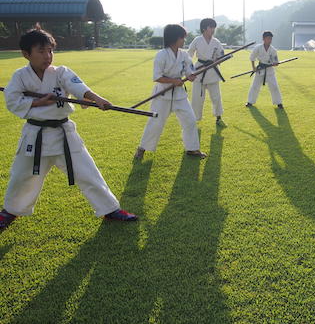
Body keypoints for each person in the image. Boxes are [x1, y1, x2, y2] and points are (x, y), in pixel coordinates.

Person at [0, 27, 137, 230]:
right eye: (41, 51)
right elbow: (12, 100)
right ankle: (9, 212)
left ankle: (110, 209)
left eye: (50, 51)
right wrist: (39, 103)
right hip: (35, 136)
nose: (48, 56)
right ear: (26, 54)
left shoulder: (61, 72)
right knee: (22, 176)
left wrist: (97, 99)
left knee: (88, 172)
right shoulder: (20, 76)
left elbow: (78, 87)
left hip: (64, 134)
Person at [134, 24, 206, 159]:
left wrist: (191, 76)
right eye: (182, 38)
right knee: (155, 123)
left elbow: (189, 70)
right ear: (174, 38)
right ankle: (142, 148)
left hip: (179, 95)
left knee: (190, 120)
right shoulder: (161, 55)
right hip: (162, 94)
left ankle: (192, 149)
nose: (184, 40)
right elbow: (157, 77)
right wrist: (173, 81)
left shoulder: (184, 55)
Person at [187, 18, 226, 126]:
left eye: (214, 27)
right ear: (204, 28)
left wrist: (218, 60)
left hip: (213, 71)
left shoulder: (216, 42)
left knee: (216, 97)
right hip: (200, 70)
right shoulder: (197, 40)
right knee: (197, 98)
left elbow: (221, 56)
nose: (213, 29)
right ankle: (195, 119)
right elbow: (189, 55)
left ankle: (218, 117)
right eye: (211, 27)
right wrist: (190, 70)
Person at [245, 31, 283, 109]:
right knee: (254, 86)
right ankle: (250, 102)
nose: (269, 40)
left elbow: (275, 61)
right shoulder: (258, 48)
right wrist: (253, 67)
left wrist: (275, 63)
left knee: (274, 86)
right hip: (260, 69)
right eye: (268, 38)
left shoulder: (273, 50)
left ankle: (279, 103)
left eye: (271, 39)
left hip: (269, 70)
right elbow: (252, 57)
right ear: (263, 39)